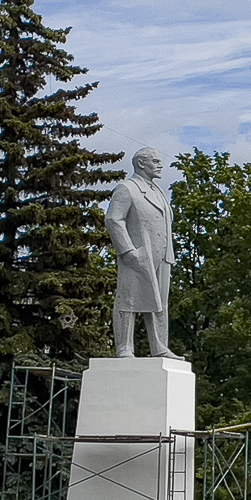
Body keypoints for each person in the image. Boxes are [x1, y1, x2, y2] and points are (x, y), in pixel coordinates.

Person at [106, 147, 183, 360]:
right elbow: (114, 219)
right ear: (141, 163)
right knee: (128, 300)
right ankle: (124, 347)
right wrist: (129, 251)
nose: (160, 165)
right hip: (139, 254)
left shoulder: (158, 191)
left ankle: (159, 346)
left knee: (160, 303)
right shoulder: (127, 188)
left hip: (163, 256)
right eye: (156, 161)